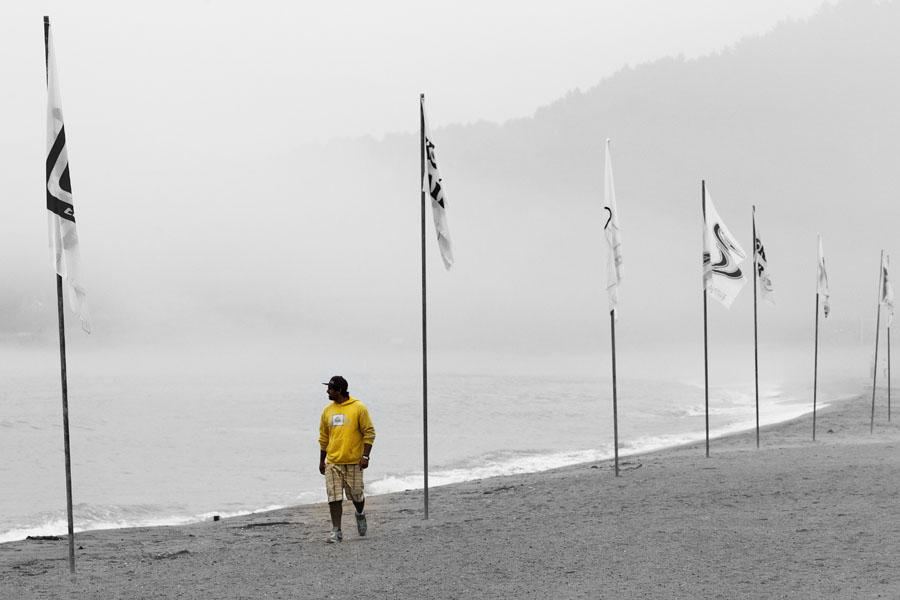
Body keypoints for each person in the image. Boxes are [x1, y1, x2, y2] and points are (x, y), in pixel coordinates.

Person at [318, 375, 376, 543]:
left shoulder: (359, 408)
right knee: (334, 496)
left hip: (354, 462)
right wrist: (322, 461)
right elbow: (323, 438)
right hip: (333, 462)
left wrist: (365, 456)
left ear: (339, 390)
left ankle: (360, 514)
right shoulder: (327, 411)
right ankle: (336, 531)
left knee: (356, 495)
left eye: (330, 388)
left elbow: (369, 433)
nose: (327, 391)